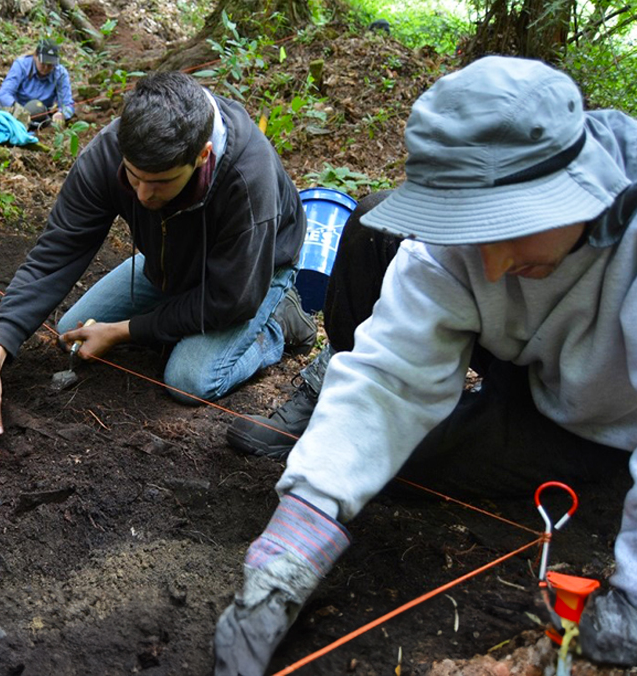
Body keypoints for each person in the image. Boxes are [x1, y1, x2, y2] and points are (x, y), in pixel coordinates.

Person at [215, 56, 637, 675]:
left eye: (507, 228)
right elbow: (387, 379)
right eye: (472, 231)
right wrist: (285, 559)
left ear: (570, 187)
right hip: (537, 384)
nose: (490, 268)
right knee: (386, 461)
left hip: (610, 423)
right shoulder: (459, 246)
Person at [0, 71, 312, 450]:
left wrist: (124, 330)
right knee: (73, 326)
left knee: (189, 380)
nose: (142, 195)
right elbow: (56, 252)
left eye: (160, 182)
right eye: (134, 176)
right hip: (170, 261)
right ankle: (173, 302)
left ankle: (277, 323)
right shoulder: (113, 149)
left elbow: (230, 299)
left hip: (249, 275)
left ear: (202, 155)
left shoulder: (246, 176)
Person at [0, 39, 74, 126]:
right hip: (15, 113)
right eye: (43, 63)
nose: (45, 68)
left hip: (41, 116)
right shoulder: (21, 65)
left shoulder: (60, 73)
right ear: (35, 56)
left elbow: (67, 103)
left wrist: (62, 114)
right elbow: (4, 94)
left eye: (50, 65)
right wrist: (18, 110)